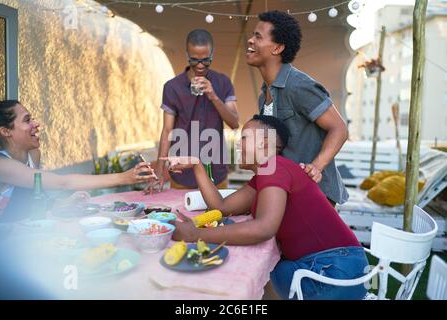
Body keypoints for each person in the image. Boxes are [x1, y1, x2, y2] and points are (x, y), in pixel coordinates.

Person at [164, 115, 368, 300]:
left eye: (244, 138)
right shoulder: (267, 173)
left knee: (247, 281)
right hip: (332, 265)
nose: (238, 144)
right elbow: (221, 206)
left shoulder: (276, 167)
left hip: (333, 270)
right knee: (256, 274)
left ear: (265, 143)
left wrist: (195, 234)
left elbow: (264, 228)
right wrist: (197, 166)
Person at [245, 10, 349, 205]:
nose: (250, 40)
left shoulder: (299, 86)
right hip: (287, 192)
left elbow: (340, 129)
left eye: (258, 37)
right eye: (252, 35)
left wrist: (316, 167)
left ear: (277, 48)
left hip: (315, 196)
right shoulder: (263, 96)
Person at [0, 100, 156, 221]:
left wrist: (63, 202)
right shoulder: (1, 165)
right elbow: (63, 183)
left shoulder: (33, 155)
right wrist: (123, 177)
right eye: (27, 120)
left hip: (24, 236)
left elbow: (33, 198)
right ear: (5, 131)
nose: (36, 124)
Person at [147, 29, 239, 194]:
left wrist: (213, 96)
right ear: (187, 54)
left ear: (212, 53)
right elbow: (167, 130)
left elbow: (234, 123)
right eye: (194, 60)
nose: (200, 66)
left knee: (219, 219)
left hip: (216, 174)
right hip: (183, 176)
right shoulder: (172, 87)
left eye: (206, 60)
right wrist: (160, 169)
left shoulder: (223, 82)